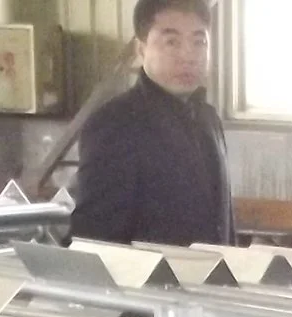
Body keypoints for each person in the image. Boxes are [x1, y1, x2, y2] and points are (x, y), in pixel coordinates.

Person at [70, 0, 233, 248]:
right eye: (172, 42)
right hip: (148, 283)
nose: (188, 56)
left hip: (211, 283)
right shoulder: (115, 123)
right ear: (141, 49)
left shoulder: (208, 120)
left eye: (199, 42)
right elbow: (95, 236)